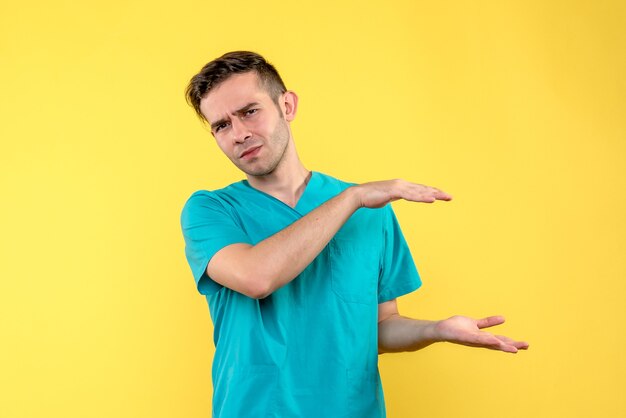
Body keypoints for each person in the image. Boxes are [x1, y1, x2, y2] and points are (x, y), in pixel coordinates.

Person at [180, 51, 528, 418]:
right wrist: (353, 198)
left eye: (250, 111)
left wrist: (437, 329)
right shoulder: (211, 211)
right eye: (221, 125)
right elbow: (256, 276)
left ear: (287, 105)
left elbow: (379, 328)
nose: (239, 134)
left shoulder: (372, 212)